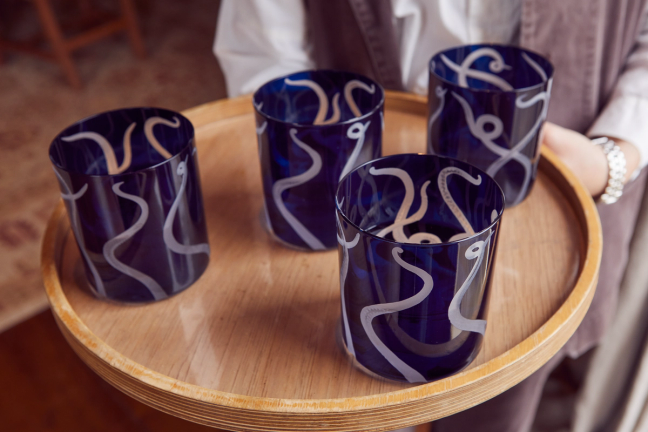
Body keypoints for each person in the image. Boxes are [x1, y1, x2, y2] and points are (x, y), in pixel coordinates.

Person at [213, 1, 648, 431]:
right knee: (361, 407)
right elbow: (263, 54)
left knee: (499, 406)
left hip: (552, 228)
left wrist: (615, 156)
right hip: (366, 239)